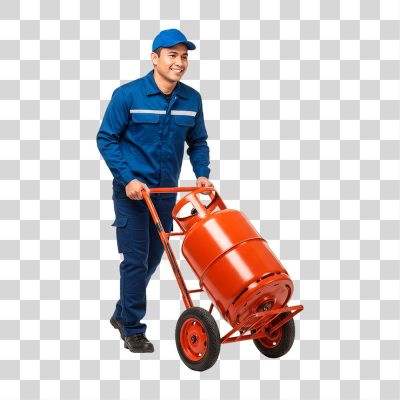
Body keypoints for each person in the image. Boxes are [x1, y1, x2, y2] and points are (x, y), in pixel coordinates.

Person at [96, 29, 213, 353]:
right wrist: (128, 179)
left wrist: (202, 174)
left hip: (165, 194)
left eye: (184, 57)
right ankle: (133, 329)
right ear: (155, 58)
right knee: (135, 260)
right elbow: (106, 138)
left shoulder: (192, 99)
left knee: (153, 257)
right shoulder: (128, 95)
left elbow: (198, 142)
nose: (180, 62)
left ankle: (122, 313)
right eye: (172, 55)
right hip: (133, 193)